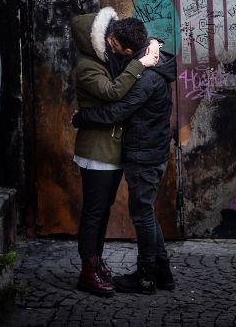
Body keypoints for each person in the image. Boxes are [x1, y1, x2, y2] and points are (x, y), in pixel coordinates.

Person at [72, 17, 177, 295]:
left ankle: (145, 277)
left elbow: (116, 110)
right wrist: (154, 43)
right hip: (147, 150)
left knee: (142, 215)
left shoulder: (147, 77)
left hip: (143, 153)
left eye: (115, 43)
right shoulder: (153, 60)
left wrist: (82, 117)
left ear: (129, 51)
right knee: (144, 213)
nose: (109, 44)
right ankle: (162, 273)